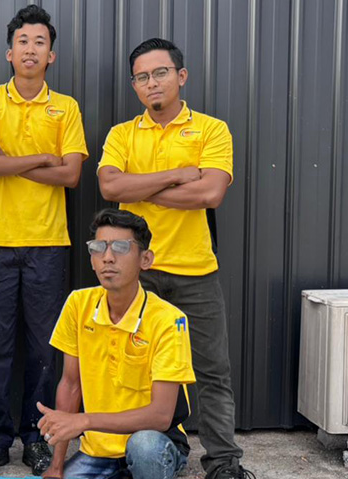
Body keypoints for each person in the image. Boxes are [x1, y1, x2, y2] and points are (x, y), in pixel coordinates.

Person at [98, 38, 253, 479]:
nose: (152, 83)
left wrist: (142, 186)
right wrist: (176, 176)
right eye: (142, 77)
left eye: (160, 73)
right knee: (134, 371)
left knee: (212, 372)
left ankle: (223, 463)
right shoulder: (122, 134)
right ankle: (146, 451)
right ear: (134, 85)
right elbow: (110, 187)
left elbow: (210, 193)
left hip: (195, 272)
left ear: (181, 76)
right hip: (137, 275)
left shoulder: (211, 130)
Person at [0, 5, 88, 475]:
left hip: (49, 245)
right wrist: (42, 158)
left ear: (51, 55)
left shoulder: (67, 107)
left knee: (43, 350)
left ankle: (38, 439)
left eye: (40, 42)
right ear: (9, 52)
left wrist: (12, 160)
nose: (31, 49)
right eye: (23, 41)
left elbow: (71, 175)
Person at [38, 208, 195, 479]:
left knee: (144, 446)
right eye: (98, 247)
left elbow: (161, 416)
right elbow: (71, 384)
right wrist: (56, 467)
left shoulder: (169, 320)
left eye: (121, 247)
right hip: (98, 451)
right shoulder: (78, 305)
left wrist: (84, 420)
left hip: (154, 443)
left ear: (145, 259)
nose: (108, 257)